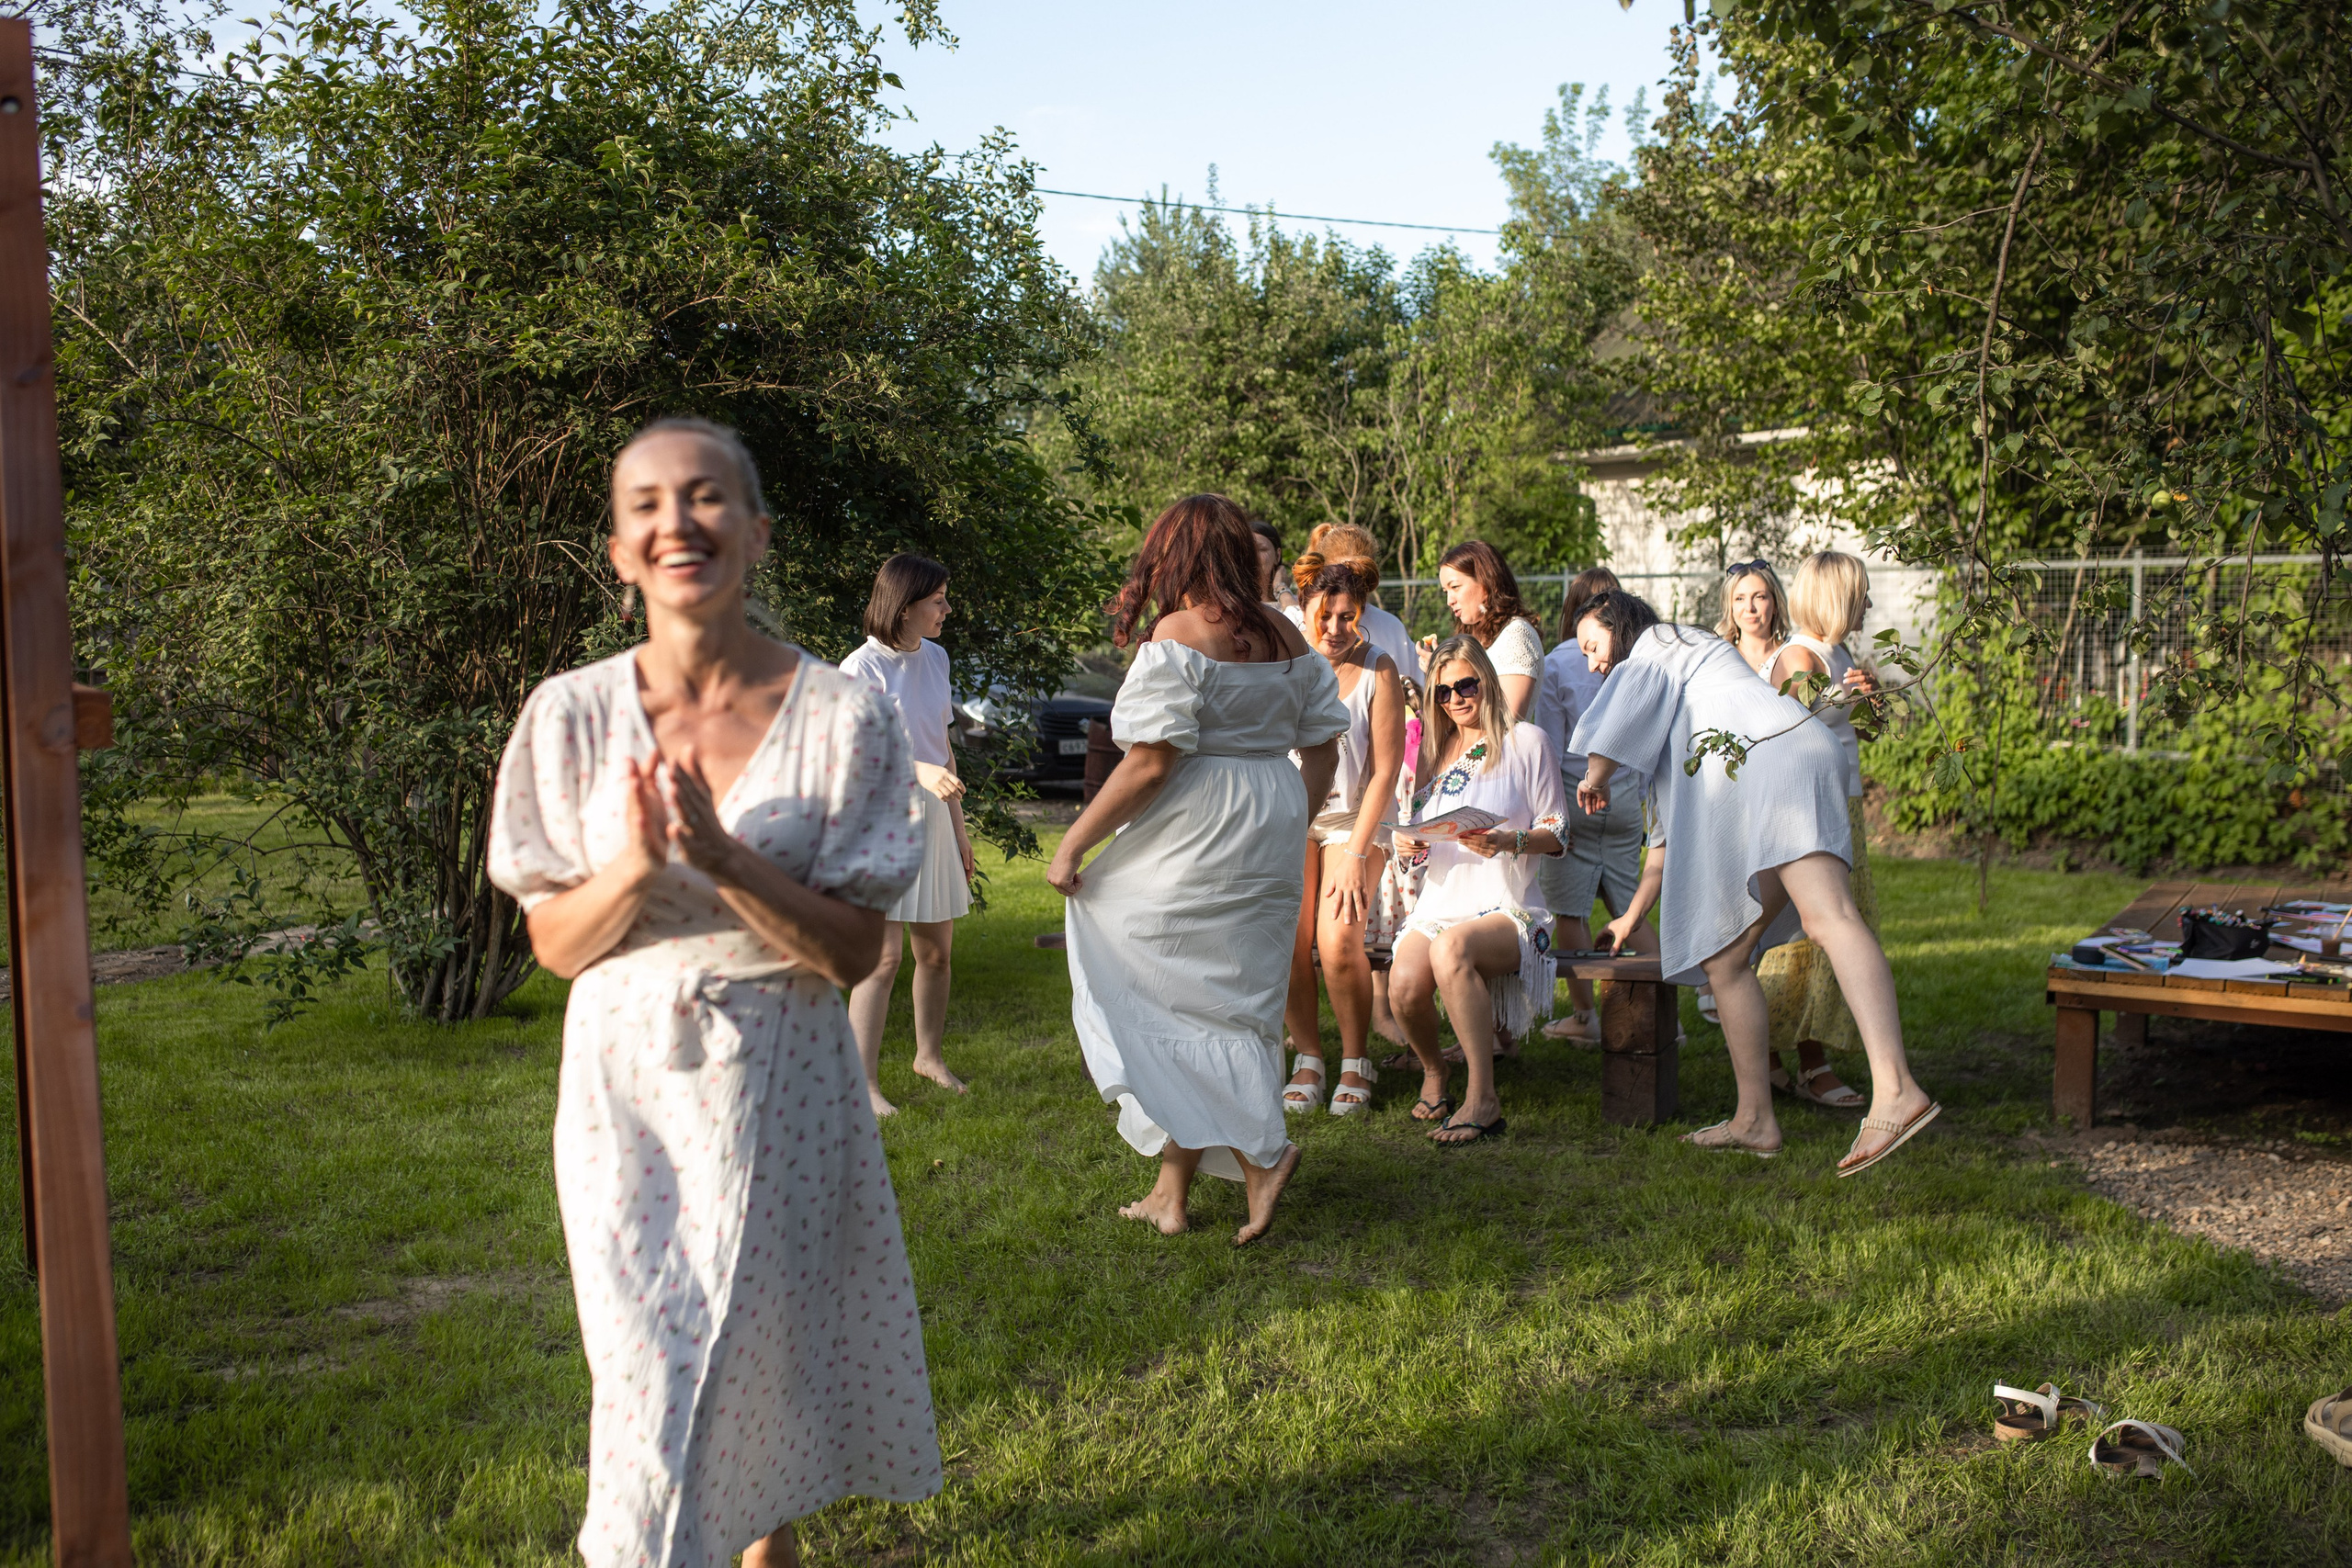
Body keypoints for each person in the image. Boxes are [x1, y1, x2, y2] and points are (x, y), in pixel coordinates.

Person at [488, 417, 938, 1568]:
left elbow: (852, 953)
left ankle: (763, 1547)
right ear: (618, 549)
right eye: (647, 504)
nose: (676, 521)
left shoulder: (843, 713)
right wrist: (639, 865)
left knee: (759, 1343)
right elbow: (553, 941)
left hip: (786, 1077)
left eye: (705, 497)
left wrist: (728, 861)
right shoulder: (569, 714)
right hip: (627, 1082)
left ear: (756, 533)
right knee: (644, 1356)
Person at [1050, 493, 1347, 1244]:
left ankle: (1262, 1155)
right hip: (1270, 819)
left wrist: (1073, 841)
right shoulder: (1286, 631)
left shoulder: (1181, 633)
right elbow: (1323, 746)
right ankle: (1170, 1193)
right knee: (1233, 999)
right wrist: (1291, 820)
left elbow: (1149, 763)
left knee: (1157, 974)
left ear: (1177, 553)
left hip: (1199, 825)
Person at [1568, 590, 1939, 1173]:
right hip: (1782, 766)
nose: (1593, 663)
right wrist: (1633, 915)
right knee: (1727, 959)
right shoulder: (1679, 701)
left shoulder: (1662, 644)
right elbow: (1663, 834)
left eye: (1593, 645)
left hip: (1782, 764)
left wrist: (1595, 772)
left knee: (1829, 918)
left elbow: (1624, 706)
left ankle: (1896, 1090)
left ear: (1621, 626)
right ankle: (1754, 1120)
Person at [1390, 636, 1568, 1145]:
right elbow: (1427, 835)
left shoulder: (1527, 740)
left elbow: (1558, 832)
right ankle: (1433, 1072)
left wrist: (1509, 839)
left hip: (1509, 906)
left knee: (1452, 949)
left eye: (1465, 685)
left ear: (1487, 681)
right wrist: (1411, 848)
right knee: (1403, 985)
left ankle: (1483, 1098)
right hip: (1442, 903)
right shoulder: (1437, 751)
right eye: (1443, 693)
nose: (1456, 700)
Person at [842, 554, 978, 1118]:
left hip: (935, 812)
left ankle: (928, 1058)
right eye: (938, 600)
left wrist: (960, 832)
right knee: (882, 958)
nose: (948, 609)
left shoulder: (938, 657)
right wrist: (919, 772)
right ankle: (862, 1086)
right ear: (904, 606)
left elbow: (940, 744)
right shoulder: (860, 669)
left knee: (937, 954)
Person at [1753, 550, 1885, 1110]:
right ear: (1837, 596)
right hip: (1802, 813)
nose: (1869, 603)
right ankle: (1792, 1062)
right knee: (1798, 939)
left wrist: (1873, 701)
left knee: (1826, 939)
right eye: (1861, 594)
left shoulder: (1841, 652)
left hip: (1840, 805)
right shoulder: (1798, 655)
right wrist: (1846, 695)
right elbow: (1792, 725)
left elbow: (1867, 734)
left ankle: (1789, 1060)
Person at [1281, 559, 1408, 1117]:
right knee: (1286, 936)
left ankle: (1356, 1060)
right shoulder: (1286, 665)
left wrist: (1357, 852)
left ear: (1361, 615)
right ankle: (1308, 1056)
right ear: (1304, 611)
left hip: (1355, 821)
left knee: (1335, 942)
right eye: (1324, 615)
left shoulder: (1379, 668)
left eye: (1347, 616)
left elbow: (1386, 769)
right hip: (1290, 816)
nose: (1335, 627)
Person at [1531, 567, 1660, 1043]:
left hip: (1575, 788)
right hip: (1626, 790)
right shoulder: (1639, 661)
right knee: (1629, 903)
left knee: (1570, 909)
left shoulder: (1558, 660)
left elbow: (1549, 740)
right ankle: (1667, 1015)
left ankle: (1585, 1018)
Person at [1283, 522, 1419, 687]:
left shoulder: (1390, 628)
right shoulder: (1291, 626)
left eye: (1358, 575)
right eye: (1324, 616)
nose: (1348, 584)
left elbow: (1413, 691)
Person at [1431, 540, 1544, 719]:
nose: (1449, 601)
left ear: (1486, 582)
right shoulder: (1476, 635)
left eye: (1455, 587)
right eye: (1446, 591)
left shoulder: (1517, 635)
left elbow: (1508, 720)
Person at [1718, 558, 1792, 678]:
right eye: (1740, 599)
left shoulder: (1795, 655)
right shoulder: (1718, 658)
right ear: (1730, 607)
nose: (1749, 608)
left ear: (1776, 605)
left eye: (1759, 597)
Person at [1249, 517, 1301, 614]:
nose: (1253, 555)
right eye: (1247, 549)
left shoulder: (1297, 602)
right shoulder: (1231, 604)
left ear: (1277, 555)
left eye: (1261, 549)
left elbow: (1299, 622)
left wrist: (1281, 588)